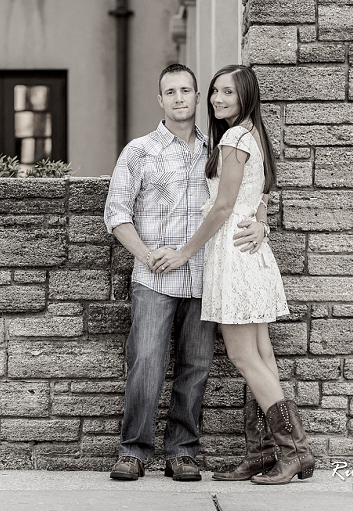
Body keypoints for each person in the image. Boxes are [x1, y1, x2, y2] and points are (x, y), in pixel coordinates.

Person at [103, 63, 268, 481]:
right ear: (160, 100)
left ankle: (183, 452)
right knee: (146, 363)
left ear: (198, 98)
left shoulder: (217, 148)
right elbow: (116, 214)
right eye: (170, 91)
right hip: (155, 277)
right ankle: (133, 451)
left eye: (187, 90)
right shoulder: (138, 151)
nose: (179, 98)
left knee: (196, 368)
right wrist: (145, 254)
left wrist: (262, 222)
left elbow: (249, 192)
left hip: (204, 276)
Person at [152, 64, 315, 485]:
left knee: (245, 357)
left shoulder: (233, 137)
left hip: (234, 255)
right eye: (214, 92)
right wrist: (261, 219)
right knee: (262, 358)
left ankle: (294, 451)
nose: (217, 99)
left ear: (246, 96)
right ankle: (262, 452)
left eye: (228, 92)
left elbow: (223, 207)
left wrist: (186, 252)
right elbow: (257, 197)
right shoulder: (253, 135)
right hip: (250, 253)